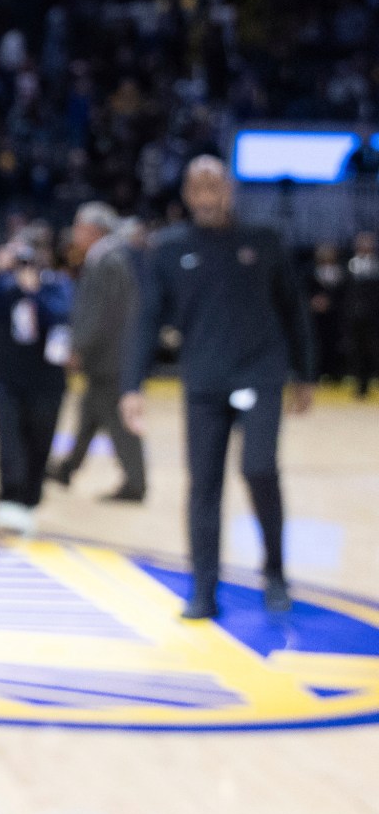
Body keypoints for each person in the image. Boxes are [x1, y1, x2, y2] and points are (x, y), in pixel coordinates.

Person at [126, 154, 315, 620]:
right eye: (199, 188)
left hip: (260, 373)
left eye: (216, 186)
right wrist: (132, 385)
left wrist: (305, 374)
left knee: (258, 468)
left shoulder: (264, 241)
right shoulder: (169, 249)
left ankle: (274, 571)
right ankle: (204, 590)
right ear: (188, 195)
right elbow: (147, 320)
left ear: (229, 189)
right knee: (203, 485)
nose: (208, 196)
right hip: (205, 380)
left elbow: (295, 311)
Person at [0, 227, 73, 535]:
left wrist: (34, 292)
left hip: (46, 383)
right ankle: (9, 499)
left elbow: (63, 316)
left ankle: (29, 501)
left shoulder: (58, 285)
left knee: (39, 443)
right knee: (9, 441)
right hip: (8, 378)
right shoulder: (4, 286)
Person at [49, 204, 146, 502]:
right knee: (90, 413)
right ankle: (68, 467)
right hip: (109, 355)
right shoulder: (108, 257)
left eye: (79, 227)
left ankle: (135, 482)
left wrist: (80, 347)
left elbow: (101, 313)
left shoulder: (108, 260)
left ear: (93, 230)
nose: (75, 233)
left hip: (110, 356)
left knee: (118, 421)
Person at [347, 231, 379, 399]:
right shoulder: (350, 264)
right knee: (356, 351)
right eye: (362, 243)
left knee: (373, 351)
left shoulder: (376, 265)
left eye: (368, 243)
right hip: (355, 317)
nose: (365, 247)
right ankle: (360, 387)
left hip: (374, 317)